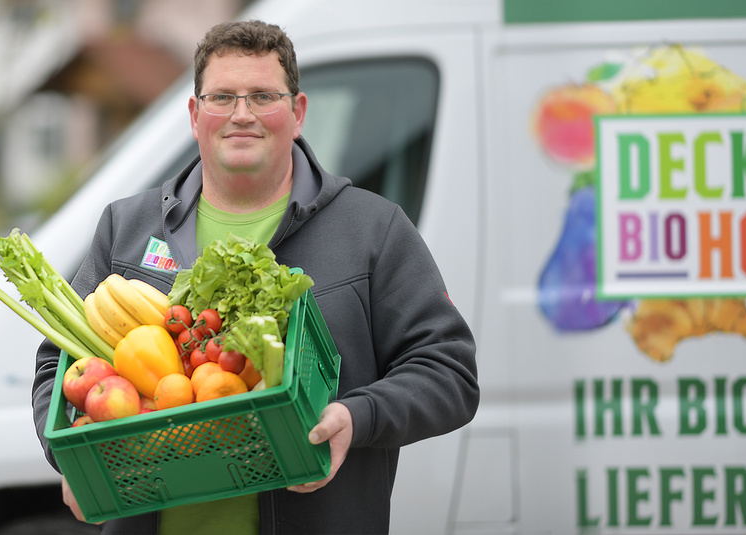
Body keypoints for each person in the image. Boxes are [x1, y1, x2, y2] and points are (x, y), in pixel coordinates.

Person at [31, 20, 479, 534]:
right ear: (195, 115)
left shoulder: (372, 230)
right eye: (222, 97)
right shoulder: (126, 227)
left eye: (263, 95)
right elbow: (55, 365)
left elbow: (449, 373)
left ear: (298, 111)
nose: (241, 115)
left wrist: (357, 417)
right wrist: (70, 459)